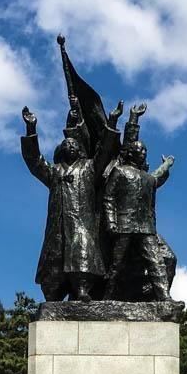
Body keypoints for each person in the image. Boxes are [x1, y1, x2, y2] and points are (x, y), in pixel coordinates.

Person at [20, 97, 121, 302]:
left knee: (82, 257)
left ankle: (83, 290)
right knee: (53, 260)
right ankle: (52, 294)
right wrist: (31, 129)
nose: (71, 145)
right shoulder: (54, 171)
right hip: (57, 226)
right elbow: (34, 161)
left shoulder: (89, 168)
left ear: (80, 150)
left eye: (74, 143)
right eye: (67, 144)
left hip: (80, 224)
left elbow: (104, 152)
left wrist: (112, 122)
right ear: (61, 150)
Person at [102, 104, 177, 302]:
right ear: (130, 153)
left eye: (144, 150)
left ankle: (163, 298)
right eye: (139, 149)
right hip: (124, 226)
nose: (143, 152)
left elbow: (156, 178)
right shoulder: (119, 170)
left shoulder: (147, 178)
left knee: (161, 260)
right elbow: (108, 198)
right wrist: (133, 119)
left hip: (146, 228)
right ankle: (107, 298)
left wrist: (166, 165)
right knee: (117, 265)